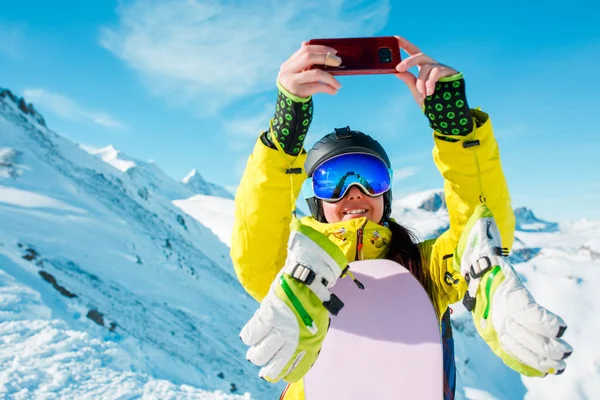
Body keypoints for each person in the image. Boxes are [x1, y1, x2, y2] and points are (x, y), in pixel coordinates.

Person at [231, 37, 572, 400]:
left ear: (387, 193)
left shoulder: (423, 269)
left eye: (369, 177)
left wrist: (456, 132)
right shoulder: (296, 273)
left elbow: (481, 231)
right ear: (315, 199)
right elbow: (256, 252)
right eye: (333, 182)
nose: (354, 192)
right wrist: (285, 136)